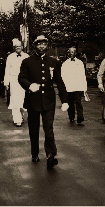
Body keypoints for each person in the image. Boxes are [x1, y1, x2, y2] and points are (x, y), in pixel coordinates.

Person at [18, 35, 69, 169]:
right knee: (33, 130)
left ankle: (51, 155)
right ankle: (34, 153)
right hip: (32, 101)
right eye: (39, 44)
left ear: (47, 46)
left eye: (44, 44)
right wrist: (29, 85)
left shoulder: (54, 62)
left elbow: (60, 82)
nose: (41, 46)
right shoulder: (27, 62)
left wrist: (65, 100)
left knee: (48, 129)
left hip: (48, 101)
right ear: (35, 45)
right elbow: (21, 78)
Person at [4, 38, 29, 127]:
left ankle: (21, 116)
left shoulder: (26, 56)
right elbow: (7, 70)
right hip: (14, 80)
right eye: (16, 47)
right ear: (14, 48)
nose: (17, 48)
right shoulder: (10, 57)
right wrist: (6, 83)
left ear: (22, 47)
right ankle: (17, 119)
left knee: (23, 100)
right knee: (14, 100)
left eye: (19, 46)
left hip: (24, 80)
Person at [61, 46, 88, 124]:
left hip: (78, 86)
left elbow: (83, 75)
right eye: (70, 52)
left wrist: (84, 87)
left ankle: (80, 116)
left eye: (73, 52)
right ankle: (71, 116)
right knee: (70, 103)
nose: (71, 53)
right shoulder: (65, 63)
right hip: (69, 86)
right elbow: (63, 75)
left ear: (75, 53)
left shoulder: (79, 63)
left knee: (78, 102)